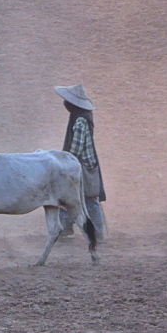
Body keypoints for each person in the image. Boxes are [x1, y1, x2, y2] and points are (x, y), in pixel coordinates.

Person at [55, 83, 107, 240]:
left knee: (86, 199)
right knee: (87, 199)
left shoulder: (80, 121)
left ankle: (96, 233)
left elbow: (76, 147)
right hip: (88, 165)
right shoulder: (84, 117)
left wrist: (65, 163)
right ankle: (95, 232)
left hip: (82, 167)